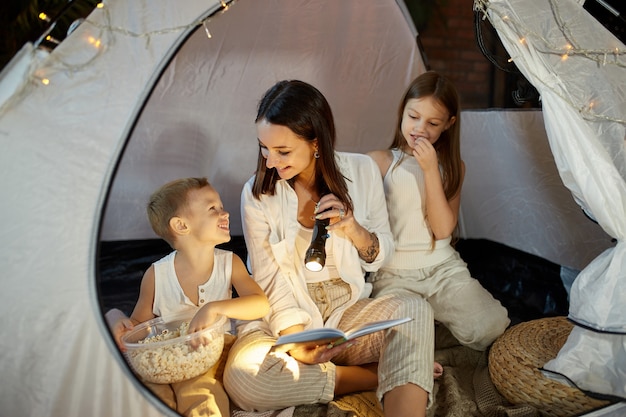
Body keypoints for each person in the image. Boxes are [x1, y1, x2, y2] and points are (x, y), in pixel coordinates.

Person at [223, 80, 437, 417]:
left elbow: (380, 255)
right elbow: (268, 279)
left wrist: (352, 228)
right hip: (284, 315)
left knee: (414, 311)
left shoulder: (362, 171)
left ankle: (401, 381)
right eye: (264, 147)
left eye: (283, 151)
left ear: (316, 142)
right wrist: (299, 344)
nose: (270, 160)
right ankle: (378, 374)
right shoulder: (257, 194)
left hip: (346, 313)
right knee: (245, 381)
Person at [367, 71, 510, 352]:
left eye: (432, 123)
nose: (420, 128)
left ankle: (432, 328)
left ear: (448, 124)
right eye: (413, 117)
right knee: (395, 338)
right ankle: (428, 329)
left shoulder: (453, 167)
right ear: (402, 112)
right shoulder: (381, 162)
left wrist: (431, 169)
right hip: (394, 273)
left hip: (442, 268)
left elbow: (443, 230)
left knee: (492, 326)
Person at [105, 177, 269, 417]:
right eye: (213, 209)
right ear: (181, 226)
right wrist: (115, 317)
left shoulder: (229, 263)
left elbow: (260, 303)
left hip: (209, 356)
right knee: (151, 392)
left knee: (199, 393)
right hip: (167, 359)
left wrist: (214, 308)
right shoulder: (156, 275)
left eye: (221, 206)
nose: (225, 213)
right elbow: (138, 329)